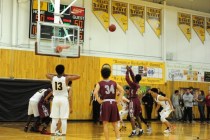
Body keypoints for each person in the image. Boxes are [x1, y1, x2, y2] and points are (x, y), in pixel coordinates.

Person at [46, 64, 80, 136]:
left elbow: (47, 74)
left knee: (54, 118)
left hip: (55, 99)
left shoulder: (53, 77)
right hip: (63, 99)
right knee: (63, 118)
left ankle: (52, 134)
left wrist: (56, 73)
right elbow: (78, 76)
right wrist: (66, 74)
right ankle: (63, 135)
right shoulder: (66, 78)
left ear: (56, 70)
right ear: (63, 71)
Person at [94, 67, 124, 140]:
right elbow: (122, 90)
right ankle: (118, 138)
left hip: (106, 103)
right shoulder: (114, 82)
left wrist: (99, 101)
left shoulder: (100, 83)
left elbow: (95, 93)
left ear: (101, 74)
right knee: (115, 123)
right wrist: (118, 100)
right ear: (110, 74)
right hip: (113, 103)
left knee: (105, 123)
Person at [125, 66, 143, 137]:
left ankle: (134, 131)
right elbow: (132, 76)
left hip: (132, 100)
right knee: (137, 115)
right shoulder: (137, 84)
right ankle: (141, 130)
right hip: (137, 100)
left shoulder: (134, 84)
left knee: (131, 116)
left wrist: (127, 71)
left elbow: (127, 79)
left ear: (135, 78)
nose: (133, 77)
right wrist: (130, 70)